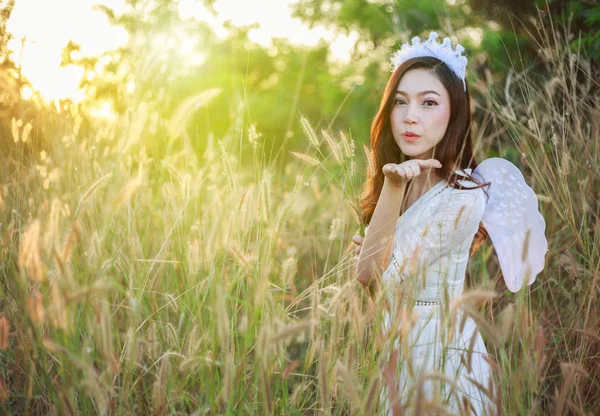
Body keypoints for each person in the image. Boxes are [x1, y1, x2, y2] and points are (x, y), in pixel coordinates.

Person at [352, 33, 548, 415]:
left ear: (454, 113)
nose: (411, 116)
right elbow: (377, 289)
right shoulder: (399, 185)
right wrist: (391, 194)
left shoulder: (465, 195)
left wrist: (392, 191)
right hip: (395, 344)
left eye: (429, 103)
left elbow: (372, 275)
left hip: (439, 352)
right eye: (400, 102)